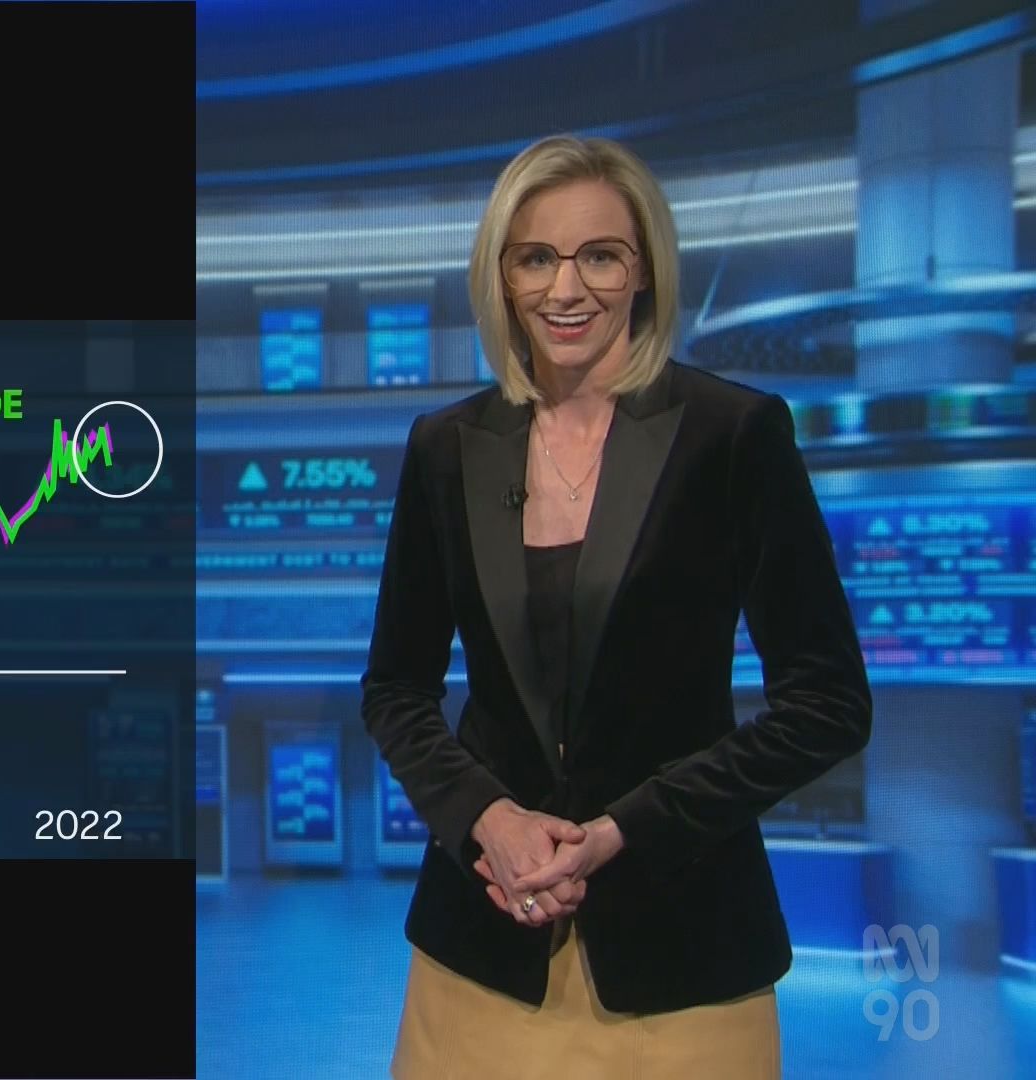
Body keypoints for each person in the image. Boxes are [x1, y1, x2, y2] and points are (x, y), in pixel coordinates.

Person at [361, 133, 872, 1078]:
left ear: (643, 271)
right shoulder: (446, 448)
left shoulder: (733, 435)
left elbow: (828, 702)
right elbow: (395, 688)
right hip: (485, 947)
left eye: (599, 256)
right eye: (536, 258)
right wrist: (489, 819)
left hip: (684, 957)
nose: (566, 289)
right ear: (502, 277)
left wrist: (625, 829)